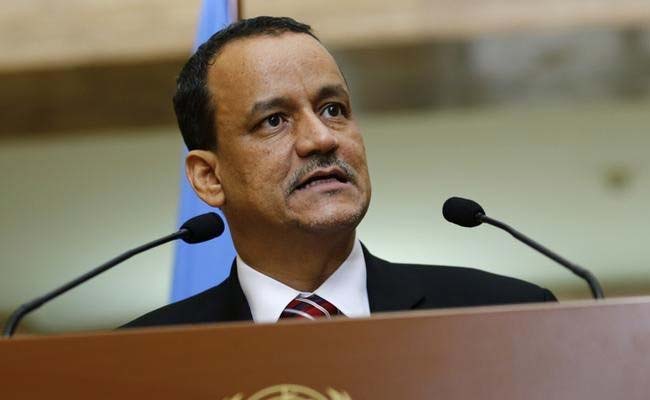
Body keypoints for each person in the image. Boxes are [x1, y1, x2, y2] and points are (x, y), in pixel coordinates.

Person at [124, 16, 555, 328]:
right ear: (209, 177)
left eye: (333, 109)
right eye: (274, 120)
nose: (321, 138)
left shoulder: (506, 316)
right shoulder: (140, 357)